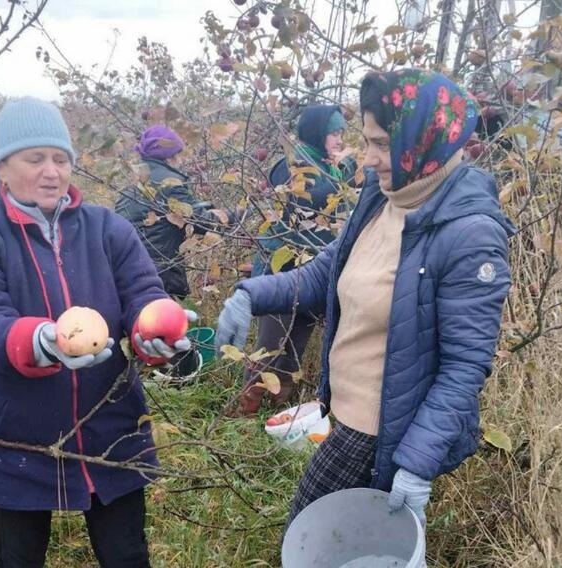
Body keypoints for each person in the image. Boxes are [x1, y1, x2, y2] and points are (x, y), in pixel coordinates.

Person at [215, 69, 515, 528]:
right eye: (366, 141)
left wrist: (416, 463)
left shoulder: (469, 234)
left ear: (421, 142)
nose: (368, 159)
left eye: (381, 144)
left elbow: (464, 365)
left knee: (313, 535)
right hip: (346, 411)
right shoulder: (385, 195)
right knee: (346, 542)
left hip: (382, 432)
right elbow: (324, 274)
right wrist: (249, 294)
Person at [0, 97, 195, 567]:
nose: (51, 171)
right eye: (34, 159)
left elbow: (142, 292)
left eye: (60, 159)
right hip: (14, 433)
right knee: (18, 558)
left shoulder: (106, 228)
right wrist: (43, 341)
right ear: (2, 167)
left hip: (109, 426)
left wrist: (152, 330)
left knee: (127, 556)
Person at [236, 105, 356, 415]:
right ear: (317, 132)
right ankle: (245, 413)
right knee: (270, 344)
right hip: (284, 271)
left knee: (295, 347)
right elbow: (293, 217)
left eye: (342, 132)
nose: (339, 139)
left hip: (313, 273)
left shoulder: (333, 167)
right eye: (333, 132)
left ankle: (280, 410)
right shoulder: (294, 165)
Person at [115, 124, 238, 299]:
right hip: (159, 279)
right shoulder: (169, 183)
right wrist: (239, 213)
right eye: (178, 154)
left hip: (127, 276)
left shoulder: (131, 186)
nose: (181, 161)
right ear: (169, 157)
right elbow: (205, 223)